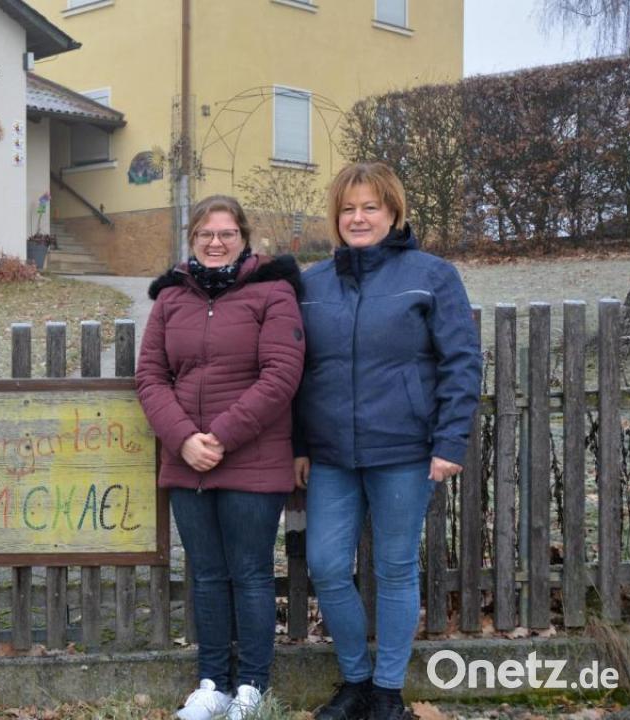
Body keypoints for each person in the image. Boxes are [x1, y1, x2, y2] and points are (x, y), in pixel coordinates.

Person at [294, 162, 481, 720]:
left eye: (370, 207)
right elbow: (297, 370)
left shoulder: (432, 275)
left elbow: (462, 362)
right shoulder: (311, 284)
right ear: (336, 217)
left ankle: (387, 690)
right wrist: (300, 442)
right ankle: (355, 680)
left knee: (395, 568)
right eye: (348, 209)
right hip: (330, 455)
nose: (358, 217)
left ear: (393, 212)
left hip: (404, 450)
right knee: (327, 565)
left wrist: (450, 441)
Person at [136, 195, 305, 720]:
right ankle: (213, 682)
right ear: (192, 240)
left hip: (252, 457)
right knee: (205, 573)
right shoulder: (170, 301)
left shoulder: (273, 293)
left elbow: (281, 375)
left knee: (251, 573)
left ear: (244, 238)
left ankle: (252, 687)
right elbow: (150, 377)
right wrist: (184, 438)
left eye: (226, 233)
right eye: (205, 234)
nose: (215, 242)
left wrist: (221, 437)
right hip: (188, 459)